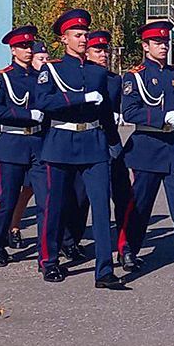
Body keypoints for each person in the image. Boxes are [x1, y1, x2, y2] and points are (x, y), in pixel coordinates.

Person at [35, 9, 123, 288]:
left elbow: (106, 111)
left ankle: (104, 270)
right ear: (64, 39)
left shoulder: (98, 73)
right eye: (77, 35)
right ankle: (49, 261)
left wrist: (113, 141)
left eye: (85, 34)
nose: (83, 39)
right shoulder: (52, 70)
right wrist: (79, 98)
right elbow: (43, 102)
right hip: (60, 143)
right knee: (55, 206)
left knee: (100, 207)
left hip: (93, 143)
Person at [117, 21, 174, 281]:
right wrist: (160, 117)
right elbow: (130, 112)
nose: (163, 46)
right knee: (140, 206)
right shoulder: (134, 76)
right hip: (148, 149)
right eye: (157, 43)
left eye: (166, 42)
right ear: (145, 46)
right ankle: (127, 249)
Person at [60, 30, 128, 262]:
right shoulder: (81, 75)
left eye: (105, 50)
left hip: (110, 141)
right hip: (86, 142)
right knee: (79, 198)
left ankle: (124, 247)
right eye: (98, 50)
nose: (103, 54)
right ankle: (70, 241)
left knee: (120, 196)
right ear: (86, 52)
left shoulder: (113, 79)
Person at [0, 25, 46, 267]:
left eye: (30, 46)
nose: (28, 50)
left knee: (45, 198)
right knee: (6, 200)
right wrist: (27, 115)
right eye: (23, 46)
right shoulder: (3, 77)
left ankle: (46, 247)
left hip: (38, 144)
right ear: (13, 50)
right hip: (12, 143)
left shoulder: (40, 76)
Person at [7, 40, 50, 247]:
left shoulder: (45, 79)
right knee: (18, 191)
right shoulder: (13, 78)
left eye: (47, 58)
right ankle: (12, 228)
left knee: (38, 191)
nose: (45, 62)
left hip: (40, 140)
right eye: (41, 59)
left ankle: (48, 240)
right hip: (17, 142)